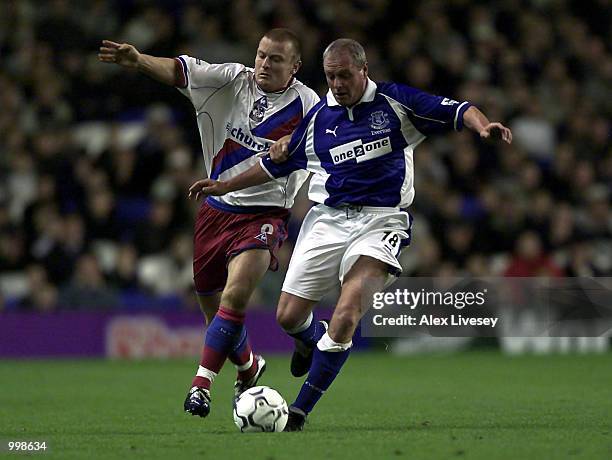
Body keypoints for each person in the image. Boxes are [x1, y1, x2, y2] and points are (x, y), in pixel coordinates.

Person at [188, 38, 513, 431]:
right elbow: (277, 165)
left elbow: (457, 110)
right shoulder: (319, 117)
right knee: (288, 317)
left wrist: (483, 127)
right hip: (327, 220)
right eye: (330, 77)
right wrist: (224, 186)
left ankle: (299, 411)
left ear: (363, 70)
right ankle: (310, 338)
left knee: (347, 311)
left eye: (344, 75)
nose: (337, 83)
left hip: (381, 220)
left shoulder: (395, 103)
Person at [98, 29, 319, 418]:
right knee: (213, 310)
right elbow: (182, 71)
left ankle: (201, 386)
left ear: (295, 67)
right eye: (262, 55)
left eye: (276, 59)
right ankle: (250, 366)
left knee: (235, 298)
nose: (264, 64)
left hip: (265, 215)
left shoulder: (308, 106)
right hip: (215, 211)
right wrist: (140, 61)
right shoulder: (231, 80)